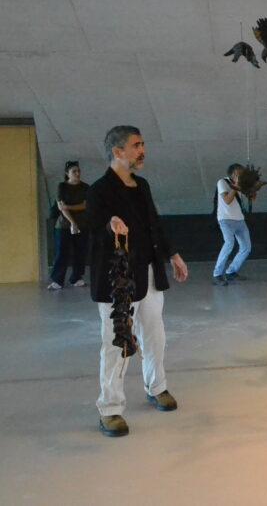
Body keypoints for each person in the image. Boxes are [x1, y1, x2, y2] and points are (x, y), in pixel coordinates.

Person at [87, 125, 189, 437]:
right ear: (118, 151)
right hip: (118, 281)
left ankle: (156, 387)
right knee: (117, 343)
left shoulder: (142, 185)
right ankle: (110, 409)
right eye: (136, 145)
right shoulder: (99, 191)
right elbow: (93, 230)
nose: (142, 150)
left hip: (149, 273)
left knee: (155, 336)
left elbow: (154, 225)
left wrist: (173, 254)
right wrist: (110, 226)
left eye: (142, 144)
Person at [47, 160, 90, 290]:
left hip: (82, 224)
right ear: (67, 174)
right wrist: (73, 223)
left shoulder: (85, 187)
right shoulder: (62, 186)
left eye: (78, 171)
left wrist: (69, 207)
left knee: (80, 252)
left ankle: (76, 277)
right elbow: (61, 207)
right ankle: (57, 280)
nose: (77, 173)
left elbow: (85, 205)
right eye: (74, 171)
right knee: (61, 252)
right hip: (64, 225)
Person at [212, 163, 251, 286]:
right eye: (240, 173)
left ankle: (231, 271)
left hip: (239, 219)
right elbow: (227, 200)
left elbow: (250, 197)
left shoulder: (240, 186)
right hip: (225, 219)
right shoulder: (222, 182)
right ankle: (217, 274)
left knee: (246, 247)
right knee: (229, 243)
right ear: (233, 173)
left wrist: (251, 189)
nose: (241, 176)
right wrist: (236, 187)